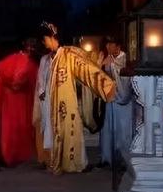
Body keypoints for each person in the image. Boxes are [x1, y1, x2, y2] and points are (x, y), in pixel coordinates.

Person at [38, 21, 116, 174]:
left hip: (66, 102)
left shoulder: (69, 54)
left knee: (71, 131)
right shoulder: (51, 58)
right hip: (53, 102)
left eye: (45, 39)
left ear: (52, 37)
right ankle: (60, 162)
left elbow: (87, 69)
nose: (44, 42)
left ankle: (76, 164)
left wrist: (105, 85)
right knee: (57, 132)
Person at [0, 38, 39, 168]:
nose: (31, 48)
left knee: (11, 127)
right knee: (16, 127)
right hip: (19, 100)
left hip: (11, 100)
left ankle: (8, 155)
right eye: (30, 46)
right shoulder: (29, 63)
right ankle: (12, 155)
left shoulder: (13, 59)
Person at [97, 35, 134, 171]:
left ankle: (123, 159)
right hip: (110, 100)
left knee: (123, 130)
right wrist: (100, 64)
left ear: (118, 46)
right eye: (106, 44)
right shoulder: (107, 58)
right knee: (108, 129)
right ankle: (107, 158)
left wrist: (112, 66)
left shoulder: (126, 59)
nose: (107, 47)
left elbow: (126, 80)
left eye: (110, 44)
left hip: (123, 102)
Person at [32, 48, 53, 168]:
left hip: (55, 99)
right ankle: (45, 158)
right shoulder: (44, 60)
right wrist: (41, 91)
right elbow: (40, 78)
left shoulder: (61, 58)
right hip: (44, 99)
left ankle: (52, 158)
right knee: (43, 127)